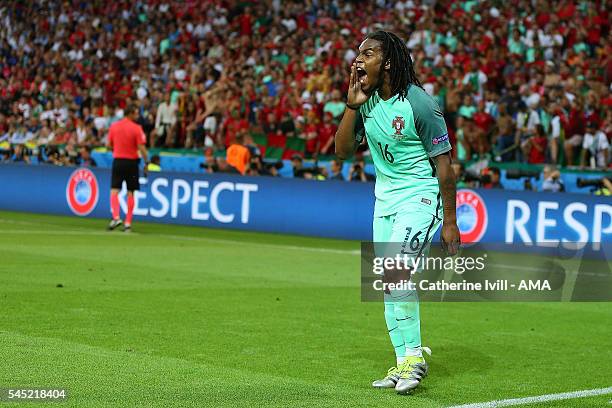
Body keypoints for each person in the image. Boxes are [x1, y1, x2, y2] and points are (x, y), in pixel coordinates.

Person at [335, 31, 460, 395]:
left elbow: (445, 167)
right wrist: (351, 105)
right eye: (358, 54)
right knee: (389, 284)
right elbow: (342, 152)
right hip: (385, 202)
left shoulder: (419, 103)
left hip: (420, 199)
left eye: (368, 53)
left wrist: (450, 222)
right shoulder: (366, 100)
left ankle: (414, 361)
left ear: (387, 61)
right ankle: (404, 358)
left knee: (397, 275)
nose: (358, 60)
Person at [107, 104, 149, 232]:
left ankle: (116, 217)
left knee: (114, 190)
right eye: (135, 113)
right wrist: (147, 162)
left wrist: (118, 148)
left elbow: (109, 146)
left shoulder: (114, 126)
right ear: (130, 114)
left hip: (118, 161)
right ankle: (128, 223)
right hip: (132, 163)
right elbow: (141, 148)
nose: (137, 116)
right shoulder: (137, 128)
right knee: (131, 192)